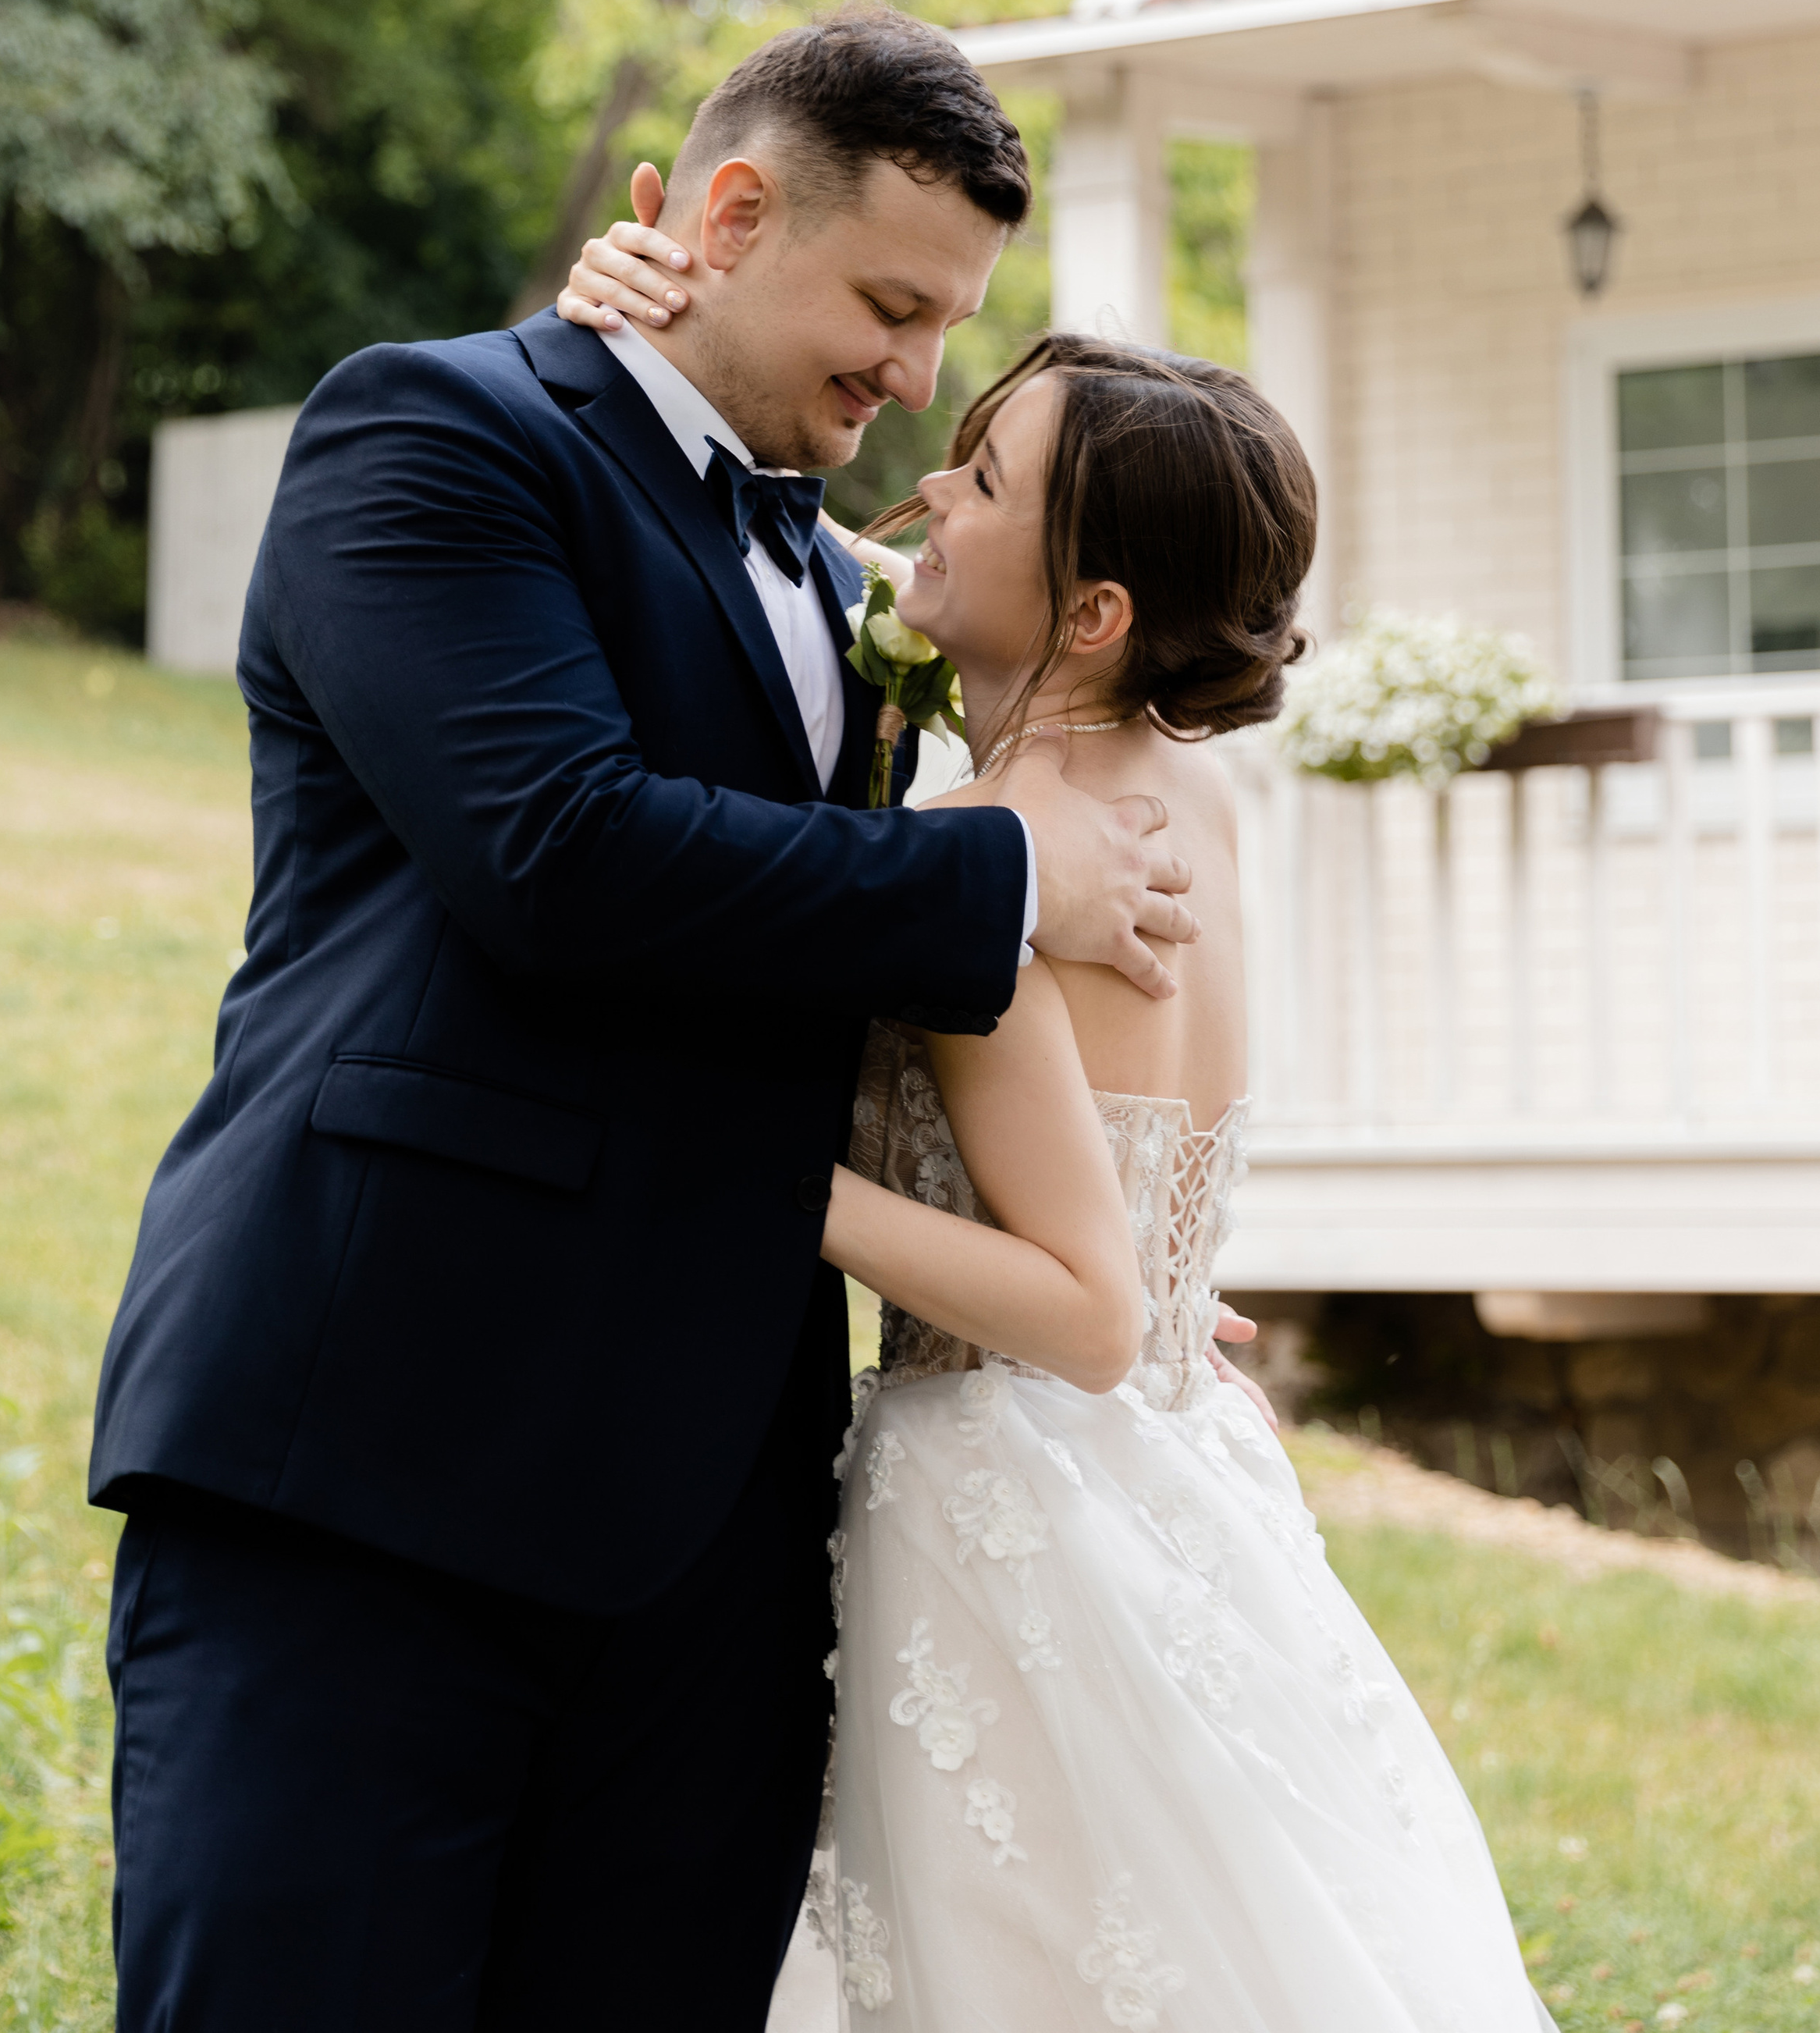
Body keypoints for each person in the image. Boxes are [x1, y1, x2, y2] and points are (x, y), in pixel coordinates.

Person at [90, 1, 1202, 2033]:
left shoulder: (856, 580)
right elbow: (562, 855)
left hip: (721, 1532)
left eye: (952, 326)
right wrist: (1008, 876)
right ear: (730, 213)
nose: (913, 372)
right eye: (884, 302)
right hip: (372, 1466)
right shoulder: (434, 439)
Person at [567, 248, 1552, 2027]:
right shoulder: (1183, 791)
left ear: (1092, 611)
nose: (928, 479)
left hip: (1011, 1487)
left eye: (986, 477)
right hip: (1188, 1472)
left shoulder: (998, 862)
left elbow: (1084, 1309)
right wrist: (636, 334)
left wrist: (783, 1187)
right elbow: (1138, 1237)